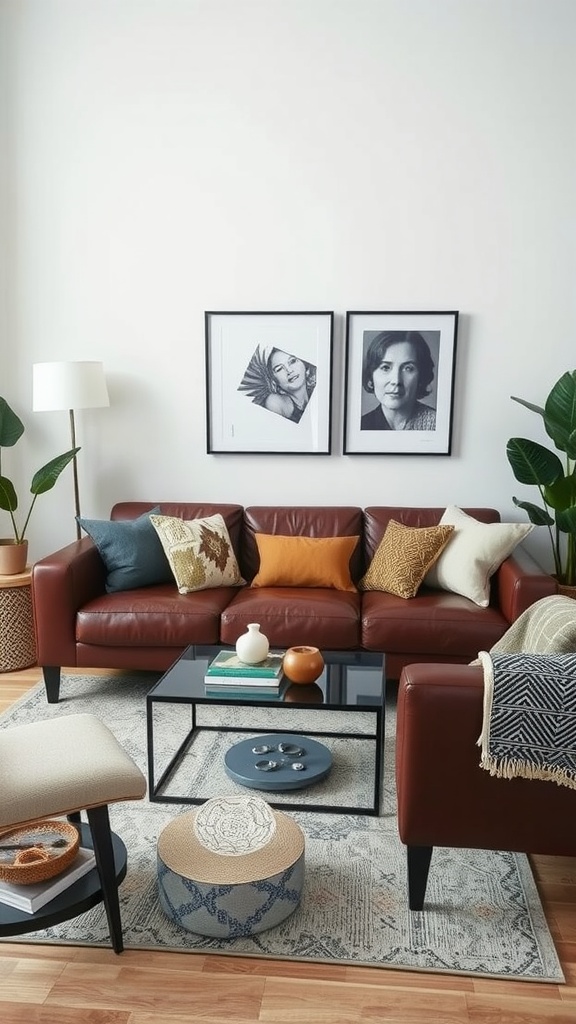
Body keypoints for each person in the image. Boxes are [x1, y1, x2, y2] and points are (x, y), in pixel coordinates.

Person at [360, 331, 436, 430]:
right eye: (385, 368)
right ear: (371, 375)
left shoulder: (437, 425)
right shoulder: (359, 427)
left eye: (408, 368)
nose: (396, 380)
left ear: (421, 375)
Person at [238, 345, 316, 424]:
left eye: (292, 361)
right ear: (274, 381)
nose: (289, 371)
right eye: (279, 369)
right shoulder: (275, 402)